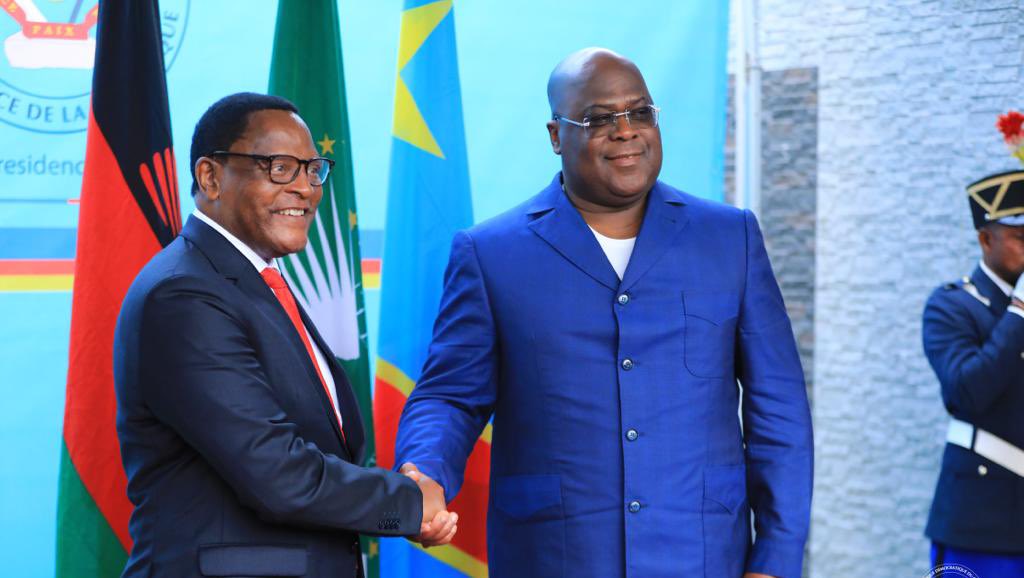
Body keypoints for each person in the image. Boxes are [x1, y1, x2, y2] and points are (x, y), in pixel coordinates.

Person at [395, 48, 812, 578]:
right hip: (552, 558)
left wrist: (775, 560)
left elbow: (779, 410)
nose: (626, 131)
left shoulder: (730, 238)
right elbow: (451, 395)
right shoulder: (490, 253)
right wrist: (424, 471)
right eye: (599, 119)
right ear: (555, 136)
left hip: (703, 556)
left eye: (640, 113)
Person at [113, 92, 455, 578]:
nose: (305, 188)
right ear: (210, 177)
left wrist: (407, 504)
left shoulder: (254, 282)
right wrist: (409, 504)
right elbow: (275, 472)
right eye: (278, 167)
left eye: (312, 169)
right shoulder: (184, 294)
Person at [921, 111, 1024, 576]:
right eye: (1020, 237)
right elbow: (967, 392)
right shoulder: (952, 306)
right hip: (982, 523)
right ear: (986, 238)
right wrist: (1020, 309)